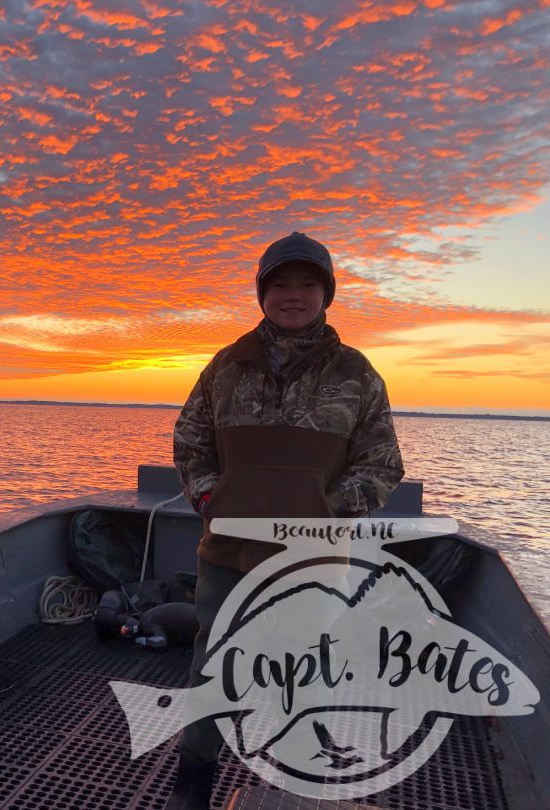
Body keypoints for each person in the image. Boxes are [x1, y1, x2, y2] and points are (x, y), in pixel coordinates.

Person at [166, 231, 405, 809]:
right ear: (262, 294)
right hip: (228, 555)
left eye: (306, 284)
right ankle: (193, 780)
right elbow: (190, 443)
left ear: (326, 293)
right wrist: (209, 501)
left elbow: (383, 464)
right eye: (280, 284)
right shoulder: (226, 366)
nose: (292, 295)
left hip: (313, 561)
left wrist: (323, 513)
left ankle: (292, 787)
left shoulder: (356, 373)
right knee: (214, 668)